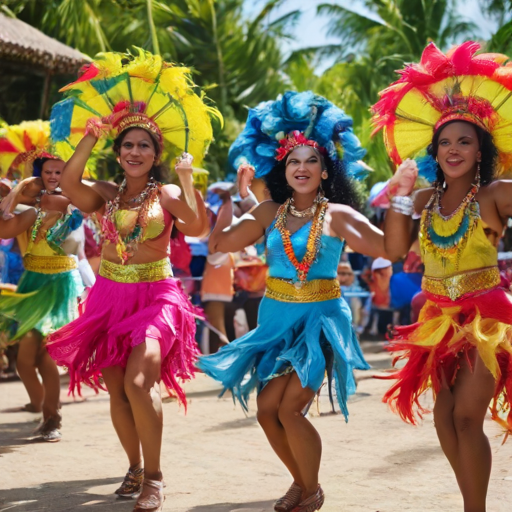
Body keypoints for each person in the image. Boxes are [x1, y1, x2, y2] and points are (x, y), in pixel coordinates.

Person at [45, 50, 220, 512]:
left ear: (155, 153)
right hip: (109, 296)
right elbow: (72, 183)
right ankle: (134, 467)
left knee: (141, 382)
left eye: (143, 146)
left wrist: (188, 179)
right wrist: (89, 138)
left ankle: (155, 477)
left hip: (156, 295)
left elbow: (198, 228)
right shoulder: (104, 194)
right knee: (118, 388)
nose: (135, 152)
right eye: (127, 145)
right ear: (118, 153)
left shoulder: (167, 191)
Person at [197, 91, 388, 512]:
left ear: (325, 170)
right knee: (268, 409)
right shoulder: (269, 212)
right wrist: (233, 195)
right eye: (293, 161)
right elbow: (221, 242)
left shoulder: (337, 214)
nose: (302, 168)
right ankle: (302, 485)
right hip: (276, 319)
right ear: (283, 168)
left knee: (292, 409)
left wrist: (403, 200)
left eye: (311, 161)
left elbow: (389, 245)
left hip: (320, 317)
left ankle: (311, 488)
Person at [372, 41, 512, 512]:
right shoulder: (422, 199)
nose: (453, 149)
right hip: (437, 318)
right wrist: (400, 192)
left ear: (481, 149)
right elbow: (393, 248)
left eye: (465, 141)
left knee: (468, 418)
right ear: (435, 150)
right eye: (445, 142)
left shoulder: (494, 194)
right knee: (444, 421)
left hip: (486, 317)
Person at [0, 155, 87, 442]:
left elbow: (63, 214)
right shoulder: (34, 208)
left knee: (47, 356)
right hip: (32, 282)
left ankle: (53, 417)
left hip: (60, 285)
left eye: (59, 171)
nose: (52, 176)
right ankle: (42, 409)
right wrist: (11, 195)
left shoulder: (75, 203)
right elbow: (5, 230)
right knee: (24, 361)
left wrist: (20, 190)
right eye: (48, 172)